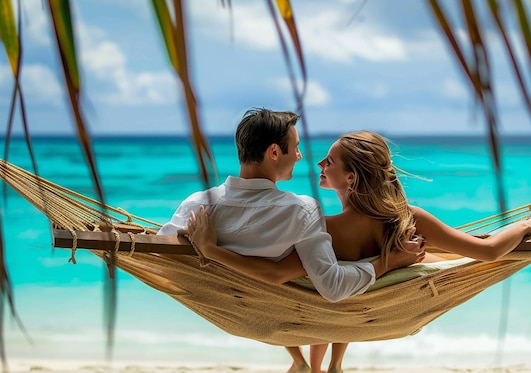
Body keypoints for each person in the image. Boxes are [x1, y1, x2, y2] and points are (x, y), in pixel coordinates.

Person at [188, 129, 531, 373]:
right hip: (363, 301)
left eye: (329, 161)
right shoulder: (408, 220)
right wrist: (525, 226)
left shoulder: (321, 227)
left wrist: (213, 247)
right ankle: (329, 366)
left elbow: (282, 279)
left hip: (331, 306)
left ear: (351, 178)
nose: (318, 164)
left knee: (313, 286)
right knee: (440, 260)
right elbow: (486, 253)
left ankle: (315, 365)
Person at [159, 108, 424, 305]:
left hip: (224, 305)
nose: (299, 156)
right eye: (295, 147)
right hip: (273, 309)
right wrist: (387, 264)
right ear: (274, 152)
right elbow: (332, 287)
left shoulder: (196, 205)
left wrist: (204, 248)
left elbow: (162, 260)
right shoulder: (301, 211)